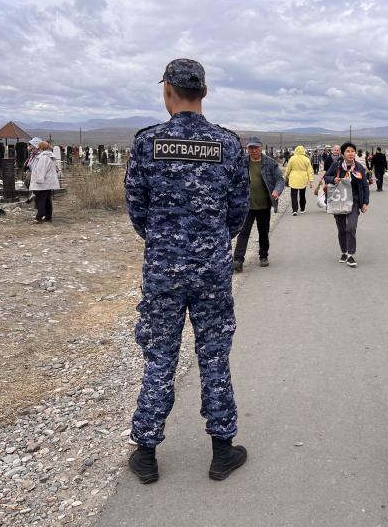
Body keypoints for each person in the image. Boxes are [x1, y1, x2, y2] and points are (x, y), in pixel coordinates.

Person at [124, 58, 249, 485]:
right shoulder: (227, 144)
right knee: (214, 354)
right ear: (205, 93)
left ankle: (145, 452)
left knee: (160, 356)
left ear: (168, 92)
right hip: (212, 269)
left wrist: (164, 241)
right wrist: (211, 242)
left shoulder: (147, 143)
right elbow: (237, 213)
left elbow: (137, 211)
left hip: (163, 268)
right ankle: (222, 450)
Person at [233, 136, 284, 272]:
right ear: (247, 149)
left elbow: (280, 180)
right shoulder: (242, 163)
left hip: (264, 205)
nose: (253, 150)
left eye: (256, 147)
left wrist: (276, 191)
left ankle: (263, 256)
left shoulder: (270, 163)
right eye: (251, 148)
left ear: (261, 147)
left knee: (263, 232)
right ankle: (238, 260)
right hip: (246, 205)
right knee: (243, 232)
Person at [323, 142, 369, 267]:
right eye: (348, 151)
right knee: (342, 228)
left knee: (351, 227)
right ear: (343, 154)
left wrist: (365, 202)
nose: (350, 153)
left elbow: (365, 186)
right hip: (339, 200)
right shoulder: (337, 165)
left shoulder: (359, 168)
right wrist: (333, 179)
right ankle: (344, 251)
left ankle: (350, 255)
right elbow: (326, 177)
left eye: (352, 151)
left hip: (354, 201)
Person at [29, 141, 60, 224]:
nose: (38, 149)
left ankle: (39, 217)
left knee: (41, 200)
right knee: (47, 199)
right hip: (48, 182)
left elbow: (41, 170)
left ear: (41, 148)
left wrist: (38, 181)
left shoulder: (44, 157)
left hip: (43, 182)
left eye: (39, 147)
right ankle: (48, 216)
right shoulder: (50, 156)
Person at [284, 144, 314, 216]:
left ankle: (294, 210)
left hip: (293, 177)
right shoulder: (306, 159)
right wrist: (311, 181)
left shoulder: (292, 158)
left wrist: (286, 176)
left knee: (293, 194)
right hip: (303, 178)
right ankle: (302, 209)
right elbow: (310, 171)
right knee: (302, 194)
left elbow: (288, 169)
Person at [23, 137, 42, 203]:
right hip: (32, 172)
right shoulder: (33, 154)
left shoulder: (40, 155)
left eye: (31, 145)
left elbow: (38, 166)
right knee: (27, 183)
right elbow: (29, 163)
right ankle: (33, 195)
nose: (29, 147)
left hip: (36, 174)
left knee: (39, 195)